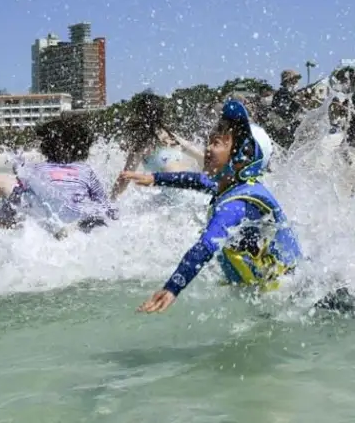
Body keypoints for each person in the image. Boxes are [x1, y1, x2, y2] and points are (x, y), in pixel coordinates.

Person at [130, 99, 303, 313]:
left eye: (217, 143)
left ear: (244, 156)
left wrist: (172, 287)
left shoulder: (237, 205)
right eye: (209, 141)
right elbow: (194, 180)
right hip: (268, 294)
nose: (208, 149)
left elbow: (206, 245)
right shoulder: (229, 185)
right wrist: (155, 178)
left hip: (287, 298)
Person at [0, 116, 118, 238]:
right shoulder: (86, 170)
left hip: (51, 221)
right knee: (96, 219)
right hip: (82, 218)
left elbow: (15, 200)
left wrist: (4, 218)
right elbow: (105, 206)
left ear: (45, 146)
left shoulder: (33, 170)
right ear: (82, 148)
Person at [110, 92, 197, 200]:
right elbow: (201, 156)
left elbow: (125, 178)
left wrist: (109, 201)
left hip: (174, 196)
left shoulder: (142, 145)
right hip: (194, 189)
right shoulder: (173, 137)